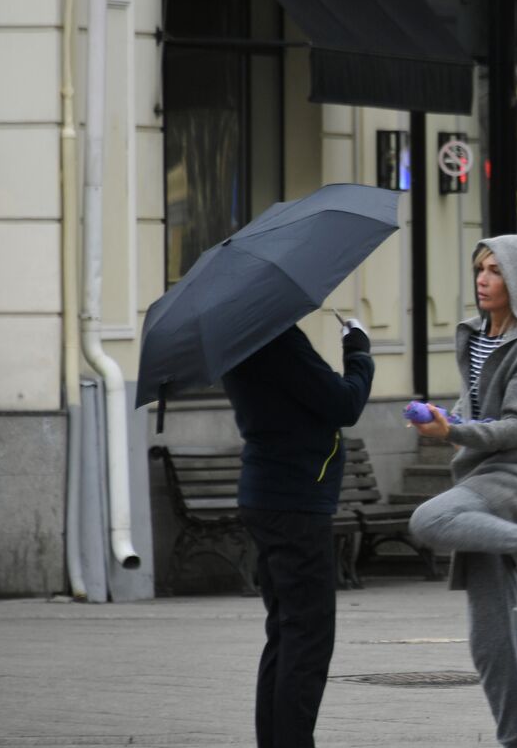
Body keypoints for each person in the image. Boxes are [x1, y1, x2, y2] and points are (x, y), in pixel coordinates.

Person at [408, 235, 517, 748]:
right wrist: (445, 416)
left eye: (496, 271)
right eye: (480, 269)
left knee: (427, 519)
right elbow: (477, 404)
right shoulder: (476, 333)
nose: (483, 279)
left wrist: (452, 433)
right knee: (489, 640)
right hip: (481, 477)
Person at [221, 318, 374, 748]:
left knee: (287, 630)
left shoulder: (239, 336)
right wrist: (358, 353)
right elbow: (344, 403)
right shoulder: (277, 338)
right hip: (294, 501)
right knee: (308, 637)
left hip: (267, 495)